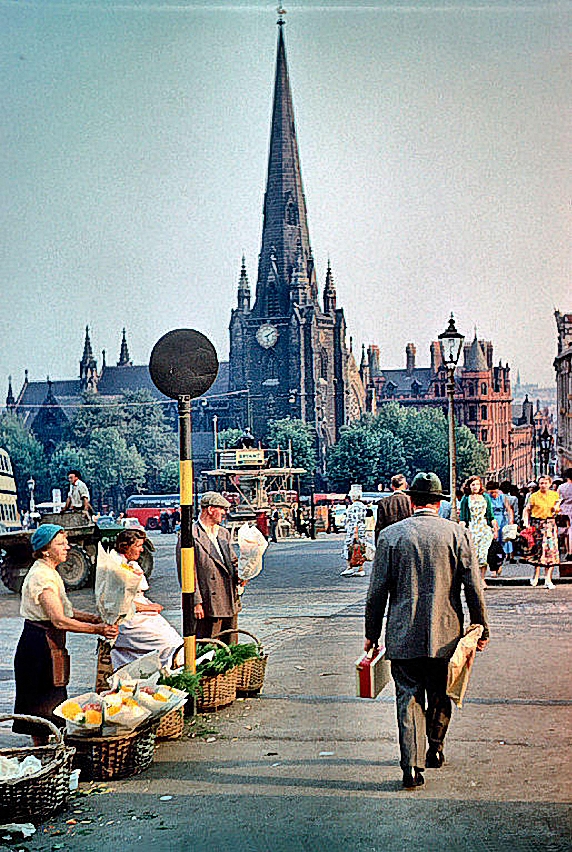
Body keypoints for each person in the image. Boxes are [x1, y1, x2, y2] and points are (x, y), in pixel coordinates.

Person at [364, 472, 489, 790]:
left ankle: (411, 766)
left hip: (403, 633)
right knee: (442, 692)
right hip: (446, 634)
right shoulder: (458, 534)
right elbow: (473, 587)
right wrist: (481, 627)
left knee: (407, 698)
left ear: (411, 500)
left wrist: (371, 633)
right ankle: (435, 746)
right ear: (439, 501)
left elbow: (377, 592)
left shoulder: (391, 536)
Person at [13, 524, 118, 743]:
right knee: (42, 704)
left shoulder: (49, 571)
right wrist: (97, 629)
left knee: (53, 697)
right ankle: (43, 753)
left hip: (47, 642)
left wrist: (91, 618)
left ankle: (48, 751)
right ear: (45, 550)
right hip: (39, 646)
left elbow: (64, 610)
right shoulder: (41, 577)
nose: (67, 547)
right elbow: (59, 620)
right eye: (60, 544)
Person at [110, 529, 182, 670]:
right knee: (166, 642)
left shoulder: (131, 563)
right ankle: (165, 668)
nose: (142, 550)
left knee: (175, 639)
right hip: (129, 618)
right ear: (126, 547)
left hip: (143, 612)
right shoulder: (115, 567)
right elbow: (119, 602)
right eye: (138, 546)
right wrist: (149, 608)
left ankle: (169, 669)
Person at [193, 491, 242, 640]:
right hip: (209, 601)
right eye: (222, 509)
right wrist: (196, 602)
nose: (224, 513)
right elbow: (188, 572)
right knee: (210, 643)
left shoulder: (223, 533)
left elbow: (232, 561)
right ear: (210, 509)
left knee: (231, 643)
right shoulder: (191, 535)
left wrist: (242, 574)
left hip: (229, 597)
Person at [523, 475, 561, 588]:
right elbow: (527, 509)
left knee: (550, 551)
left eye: (545, 483)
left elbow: (557, 510)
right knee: (538, 551)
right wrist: (526, 523)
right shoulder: (534, 496)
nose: (543, 485)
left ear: (549, 484)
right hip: (537, 525)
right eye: (541, 483)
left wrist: (556, 509)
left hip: (550, 524)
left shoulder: (554, 495)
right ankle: (536, 575)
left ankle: (548, 578)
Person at [459, 476, 496, 588]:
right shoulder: (466, 499)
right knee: (472, 555)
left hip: (484, 528)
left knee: (483, 554)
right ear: (469, 486)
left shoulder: (485, 497)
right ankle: (473, 579)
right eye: (473, 485)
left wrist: (494, 528)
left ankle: (482, 578)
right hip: (472, 528)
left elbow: (490, 514)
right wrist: (462, 530)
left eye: (477, 484)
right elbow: (463, 517)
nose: (475, 487)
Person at [374, 474, 412, 543]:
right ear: (406, 485)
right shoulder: (411, 501)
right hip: (407, 541)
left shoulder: (383, 503)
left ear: (392, 486)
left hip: (389, 542)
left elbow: (379, 528)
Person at [486, 480, 514, 568]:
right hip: (491, 520)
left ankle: (502, 558)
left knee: (503, 540)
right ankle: (492, 560)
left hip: (501, 520)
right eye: (491, 492)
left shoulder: (502, 497)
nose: (493, 494)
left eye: (494, 492)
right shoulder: (487, 498)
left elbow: (509, 509)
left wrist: (510, 521)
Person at [341, 491, 368, 577]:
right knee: (361, 549)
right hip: (362, 531)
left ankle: (349, 567)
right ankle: (360, 568)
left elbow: (355, 520)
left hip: (353, 531)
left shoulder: (353, 507)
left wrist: (355, 532)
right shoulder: (363, 507)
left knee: (349, 548)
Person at [557, 469, 572, 560]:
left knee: (567, 532)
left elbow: (558, 500)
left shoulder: (561, 487)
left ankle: (568, 551)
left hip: (564, 511)